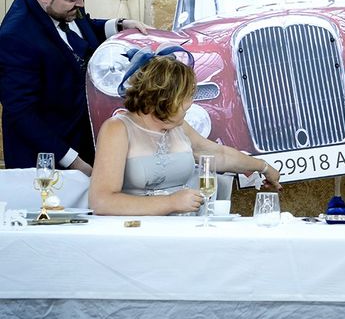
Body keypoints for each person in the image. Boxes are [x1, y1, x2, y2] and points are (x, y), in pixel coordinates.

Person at [0, 0, 148, 176]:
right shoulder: (14, 38)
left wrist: (118, 26)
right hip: (45, 160)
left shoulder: (63, 4)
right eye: (72, 0)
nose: (80, 4)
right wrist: (75, 162)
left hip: (83, 138)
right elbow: (23, 115)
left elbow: (83, 26)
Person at [88, 46, 281, 216]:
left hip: (185, 227)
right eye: (186, 96)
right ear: (165, 98)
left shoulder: (178, 126)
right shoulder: (117, 129)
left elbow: (218, 154)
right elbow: (101, 201)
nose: (191, 103)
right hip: (140, 233)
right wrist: (170, 203)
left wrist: (262, 166)